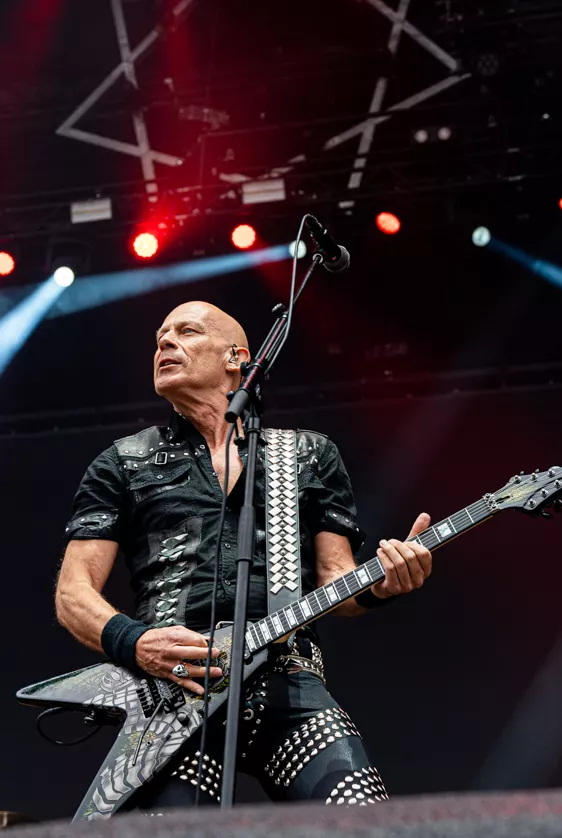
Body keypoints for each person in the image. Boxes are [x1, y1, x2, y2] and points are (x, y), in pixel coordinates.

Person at [55, 300, 433, 809]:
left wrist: (383, 585)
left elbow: (338, 580)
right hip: (175, 690)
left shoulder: (307, 453)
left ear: (237, 358)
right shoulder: (123, 461)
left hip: (289, 682)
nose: (165, 342)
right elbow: (73, 592)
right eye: (160, 336)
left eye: (186, 331)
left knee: (361, 818)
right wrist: (136, 642)